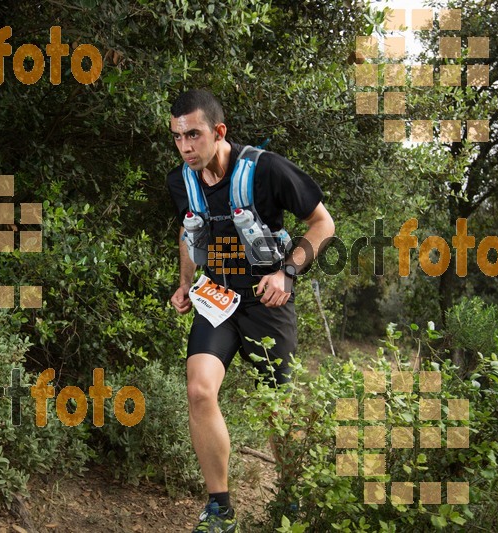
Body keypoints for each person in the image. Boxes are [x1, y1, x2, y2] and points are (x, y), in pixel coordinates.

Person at [166, 89, 335, 532]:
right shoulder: (181, 180)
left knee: (277, 407)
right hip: (218, 300)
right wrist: (185, 284)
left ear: (218, 132)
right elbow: (188, 234)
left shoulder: (265, 170)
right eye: (178, 137)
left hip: (267, 301)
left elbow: (323, 224)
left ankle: (292, 499)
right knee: (200, 390)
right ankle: (219, 508)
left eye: (195, 136)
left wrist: (288, 273)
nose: (186, 147)